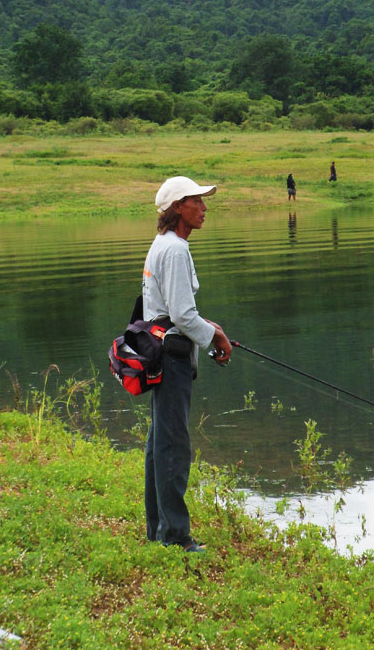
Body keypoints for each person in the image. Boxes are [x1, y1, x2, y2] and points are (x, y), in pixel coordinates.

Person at [142, 175, 232, 553]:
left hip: (160, 354)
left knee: (160, 442)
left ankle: (158, 530)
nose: (204, 208)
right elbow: (180, 314)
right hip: (172, 360)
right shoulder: (176, 250)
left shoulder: (161, 244)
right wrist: (216, 338)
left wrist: (208, 326)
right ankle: (175, 537)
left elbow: (173, 311)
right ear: (179, 207)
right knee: (173, 446)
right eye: (197, 201)